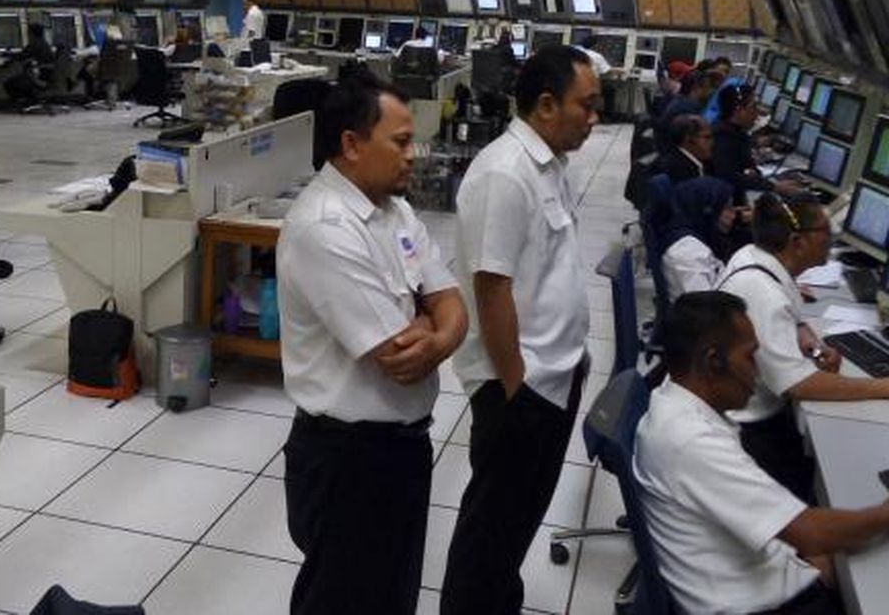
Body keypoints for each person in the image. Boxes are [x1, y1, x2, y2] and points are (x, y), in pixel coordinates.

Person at [278, 72, 468, 615]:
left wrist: (438, 326)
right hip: (348, 459)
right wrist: (435, 321)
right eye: (402, 141)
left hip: (401, 447)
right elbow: (399, 360)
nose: (416, 154)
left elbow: (451, 301)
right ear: (351, 145)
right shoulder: (324, 227)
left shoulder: (395, 209)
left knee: (392, 595)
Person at [441, 45, 601, 615]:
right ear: (546, 104)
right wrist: (516, 387)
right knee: (492, 530)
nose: (594, 117)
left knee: (514, 527)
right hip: (522, 390)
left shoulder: (548, 165)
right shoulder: (505, 174)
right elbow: (492, 289)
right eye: (587, 105)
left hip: (551, 378)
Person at [636, 291, 889, 615]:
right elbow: (811, 534)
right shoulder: (690, 441)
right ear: (713, 362)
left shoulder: (671, 398)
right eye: (751, 356)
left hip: (748, 577)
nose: (758, 370)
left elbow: (801, 535)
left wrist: (804, 557)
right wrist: (884, 513)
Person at [719, 193, 889, 502]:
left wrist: (804, 335)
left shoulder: (751, 256)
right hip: (745, 433)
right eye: (827, 232)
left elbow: (785, 313)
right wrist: (881, 387)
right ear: (797, 241)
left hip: (740, 414)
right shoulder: (765, 295)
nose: (833, 239)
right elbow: (799, 386)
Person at [713, 83, 799, 205]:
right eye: (753, 107)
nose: (757, 113)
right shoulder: (722, 139)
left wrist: (753, 171)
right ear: (739, 111)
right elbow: (729, 177)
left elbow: (747, 164)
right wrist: (775, 187)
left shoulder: (735, 132)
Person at [660, 176, 741, 299]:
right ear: (707, 211)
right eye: (727, 208)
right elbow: (707, 309)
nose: (733, 215)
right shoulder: (687, 253)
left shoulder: (697, 235)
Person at [654, 70, 714, 153]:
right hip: (671, 154)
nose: (710, 91)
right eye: (708, 87)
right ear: (696, 88)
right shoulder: (689, 109)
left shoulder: (680, 100)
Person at [3, 23, 56, 105]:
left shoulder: (35, 44)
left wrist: (7, 55)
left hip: (41, 76)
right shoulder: (44, 44)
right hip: (48, 75)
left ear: (31, 34)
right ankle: (32, 101)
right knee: (21, 78)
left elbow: (22, 56)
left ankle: (26, 102)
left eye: (28, 33)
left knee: (9, 83)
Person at [656, 113, 713, 183]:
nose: (712, 142)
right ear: (688, 138)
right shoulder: (675, 170)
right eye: (707, 137)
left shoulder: (704, 163)